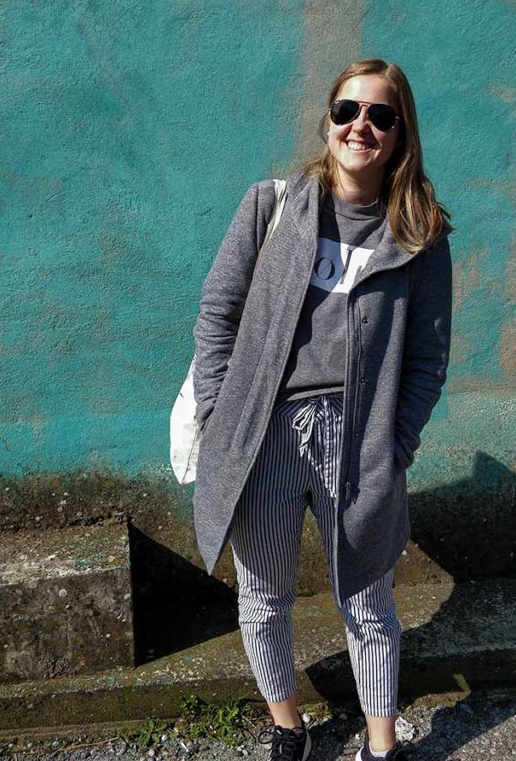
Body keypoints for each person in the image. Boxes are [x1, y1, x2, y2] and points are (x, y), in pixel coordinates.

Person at [192, 58, 454, 761]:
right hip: (264, 433)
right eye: (347, 111)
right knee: (264, 596)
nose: (360, 125)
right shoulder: (272, 206)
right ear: (328, 121)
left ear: (400, 135)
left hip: (360, 439)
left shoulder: (421, 233)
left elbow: (428, 359)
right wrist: (222, 416)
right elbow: (218, 313)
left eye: (380, 115)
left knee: (369, 602)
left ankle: (381, 743)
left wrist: (395, 447)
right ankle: (288, 729)